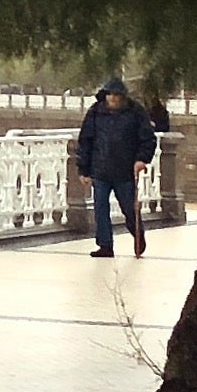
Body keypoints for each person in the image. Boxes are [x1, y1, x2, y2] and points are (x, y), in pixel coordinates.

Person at [76, 76, 157, 258]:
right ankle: (105, 245)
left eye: (116, 96)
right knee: (101, 209)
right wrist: (83, 169)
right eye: (110, 95)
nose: (113, 99)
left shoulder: (136, 112)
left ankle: (138, 236)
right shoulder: (95, 112)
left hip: (125, 170)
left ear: (123, 97)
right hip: (100, 169)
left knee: (129, 209)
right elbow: (86, 141)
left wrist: (142, 159)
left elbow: (148, 138)